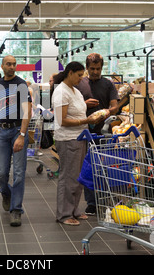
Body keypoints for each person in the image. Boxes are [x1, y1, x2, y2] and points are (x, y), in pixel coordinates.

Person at [52, 62, 105, 225]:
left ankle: (74, 210)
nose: (81, 78)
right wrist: (86, 120)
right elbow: (62, 120)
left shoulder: (74, 91)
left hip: (80, 137)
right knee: (68, 177)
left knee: (78, 177)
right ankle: (64, 214)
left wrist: (86, 105)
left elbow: (74, 110)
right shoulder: (61, 91)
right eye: (79, 75)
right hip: (68, 139)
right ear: (69, 73)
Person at [0, 55, 31, 227]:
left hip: (17, 131)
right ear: (2, 66)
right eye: (9, 64)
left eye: (14, 64)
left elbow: (27, 111)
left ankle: (16, 210)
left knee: (19, 173)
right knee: (1, 173)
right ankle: (6, 193)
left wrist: (22, 135)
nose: (12, 67)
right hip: (2, 131)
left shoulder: (21, 84)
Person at [75, 53, 119, 217]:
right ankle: (92, 203)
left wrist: (108, 110)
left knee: (106, 166)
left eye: (98, 69)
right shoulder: (80, 83)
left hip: (104, 132)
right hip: (83, 132)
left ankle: (106, 198)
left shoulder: (108, 84)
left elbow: (115, 105)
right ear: (87, 68)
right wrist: (84, 104)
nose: (95, 72)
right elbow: (71, 105)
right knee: (88, 168)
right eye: (92, 68)